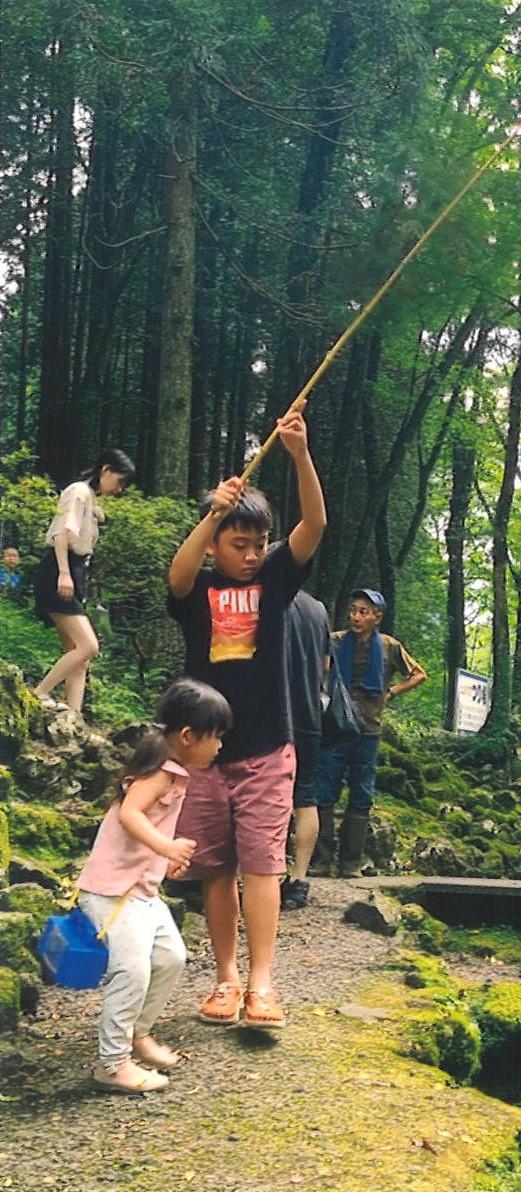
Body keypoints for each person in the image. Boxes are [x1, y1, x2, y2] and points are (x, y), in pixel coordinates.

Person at [166, 406, 325, 1029]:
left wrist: (300, 454)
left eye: (260, 543)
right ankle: (225, 980)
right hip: (205, 754)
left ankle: (262, 984)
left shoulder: (280, 579)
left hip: (266, 748)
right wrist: (210, 517)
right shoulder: (199, 589)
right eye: (240, 543)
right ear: (217, 542)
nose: (253, 554)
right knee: (216, 870)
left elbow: (315, 521)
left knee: (263, 866)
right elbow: (177, 575)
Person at [77, 678, 232, 1094]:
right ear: (187, 736)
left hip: (141, 891)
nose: (219, 746)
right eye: (215, 737)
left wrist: (164, 861)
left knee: (171, 958)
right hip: (113, 892)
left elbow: (145, 828)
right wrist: (166, 845)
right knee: (132, 969)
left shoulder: (175, 772)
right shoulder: (161, 772)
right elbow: (131, 814)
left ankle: (136, 1033)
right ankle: (112, 1063)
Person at [319, 588, 426, 878]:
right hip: (335, 728)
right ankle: (321, 860)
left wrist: (391, 692)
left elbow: (418, 674)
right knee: (325, 790)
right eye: (353, 610)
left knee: (361, 793)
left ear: (377, 617)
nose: (356, 616)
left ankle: (350, 863)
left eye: (363, 612)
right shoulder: (336, 641)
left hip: (369, 729)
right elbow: (319, 668)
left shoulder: (389, 646)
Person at [33, 449, 135, 712]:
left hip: (74, 571)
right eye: (119, 480)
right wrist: (64, 574)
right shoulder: (78, 492)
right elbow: (61, 534)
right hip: (59, 569)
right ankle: (39, 693)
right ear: (106, 470)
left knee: (78, 654)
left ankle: (74, 716)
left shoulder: (88, 498)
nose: (119, 488)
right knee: (89, 646)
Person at [279, 590, 330, 911]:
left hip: (272, 713)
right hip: (310, 713)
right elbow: (326, 662)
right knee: (305, 796)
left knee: (270, 792)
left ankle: (267, 875)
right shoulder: (318, 608)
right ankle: (299, 878)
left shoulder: (268, 597)